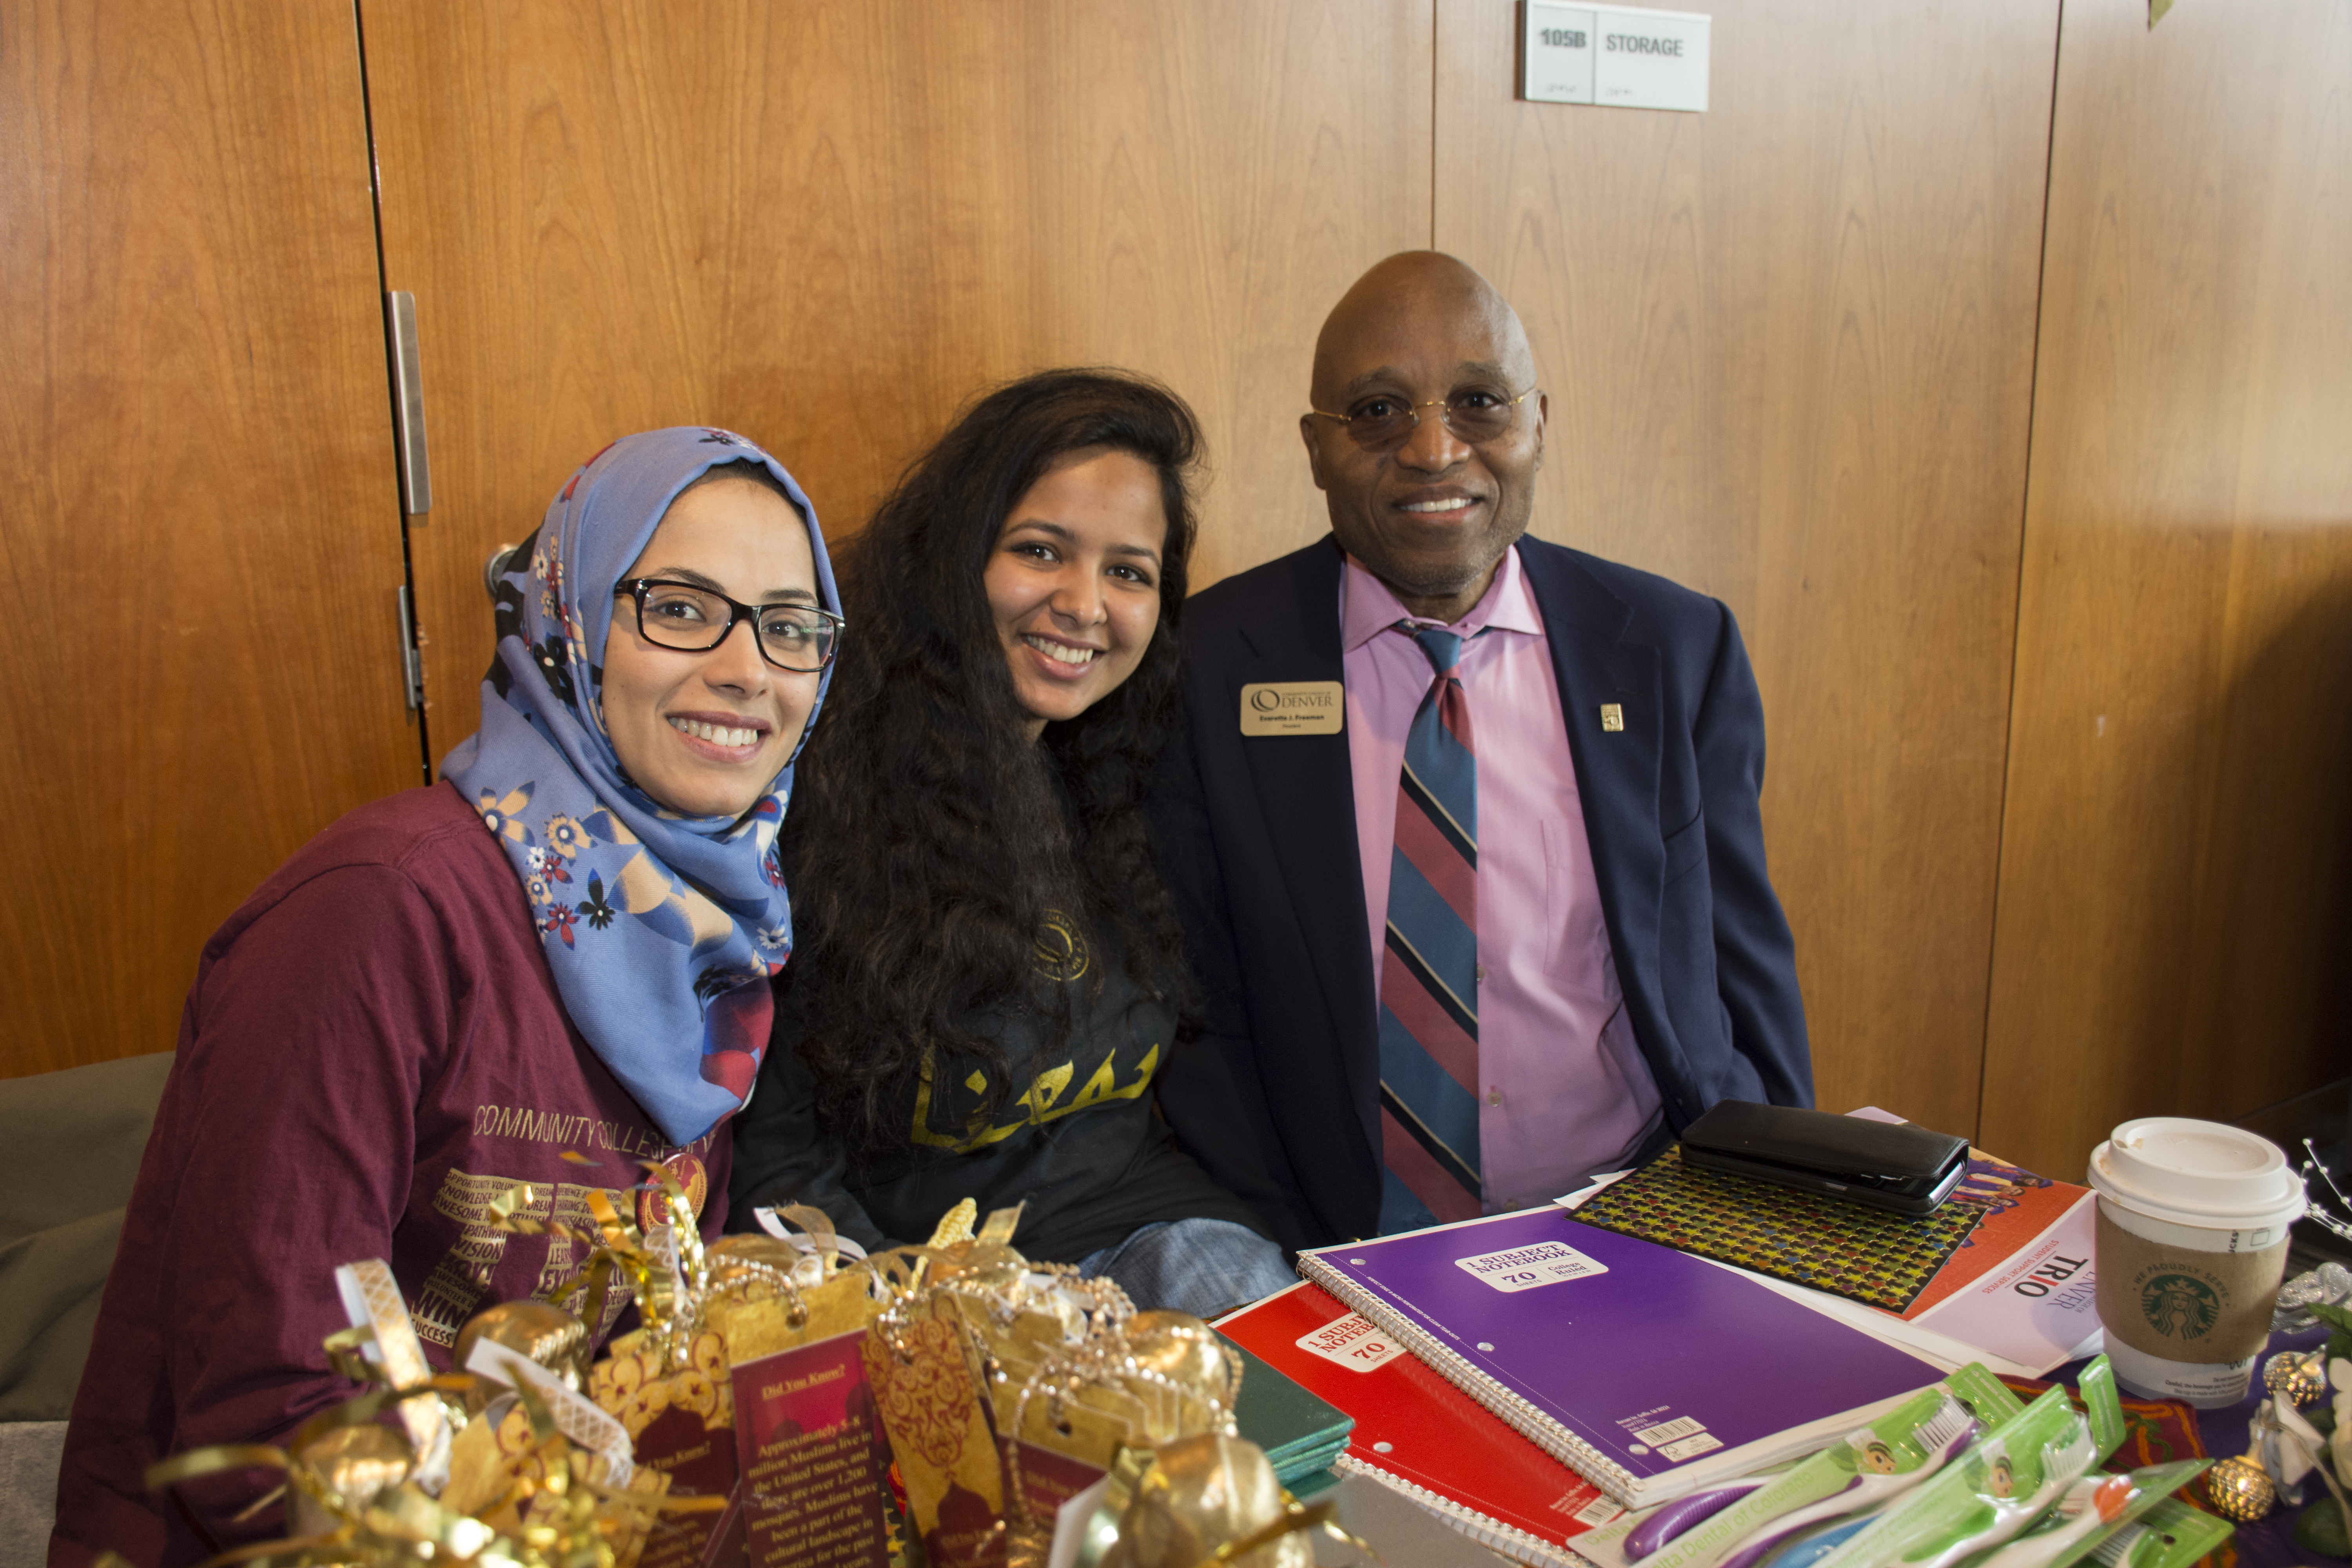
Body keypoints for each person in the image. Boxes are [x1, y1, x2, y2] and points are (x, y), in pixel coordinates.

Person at [50, 428, 843, 1566]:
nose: (745, 668)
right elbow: (273, 1416)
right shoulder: (383, 907)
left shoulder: (718, 943)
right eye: (677, 607)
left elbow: (653, 1355)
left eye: (789, 627)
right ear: (565, 621)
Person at [1148, 252, 1813, 1251]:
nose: (1432, 448)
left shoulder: (1676, 647)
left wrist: (1787, 1213)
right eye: (1377, 410)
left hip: (1637, 1223)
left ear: (1540, 421)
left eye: (1478, 401)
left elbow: (1743, 968)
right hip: (1336, 1249)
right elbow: (1198, 1021)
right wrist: (1286, 1261)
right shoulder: (1200, 669)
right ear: (1315, 447)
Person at [727, 370, 1293, 1318]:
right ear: (953, 556)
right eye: (1041, 550)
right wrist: (908, 1318)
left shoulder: (1134, 765)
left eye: (1129, 571)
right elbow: (775, 1160)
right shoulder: (813, 786)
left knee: (1328, 1432)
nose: (1084, 604)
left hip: (1152, 1228)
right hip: (920, 1278)